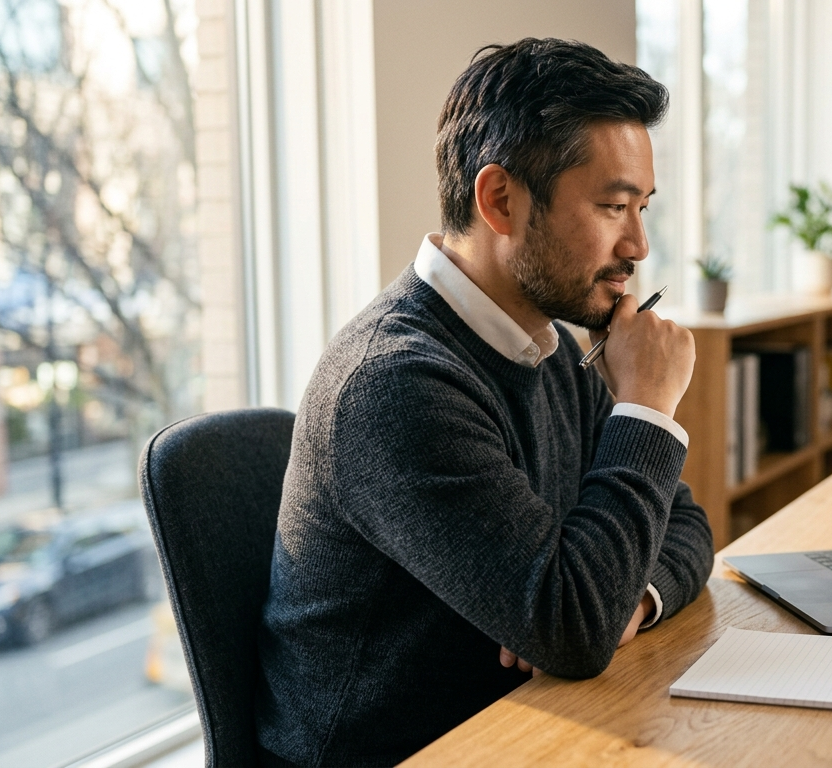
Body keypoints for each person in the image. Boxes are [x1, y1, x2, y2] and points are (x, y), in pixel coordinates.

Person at [254, 39, 715, 766]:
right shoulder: (395, 385)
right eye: (612, 206)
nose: (639, 245)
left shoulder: (547, 346)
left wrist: (629, 598)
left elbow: (683, 525)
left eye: (642, 207)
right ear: (500, 199)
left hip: (520, 728)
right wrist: (649, 407)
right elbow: (571, 629)